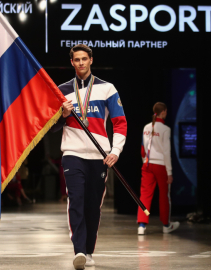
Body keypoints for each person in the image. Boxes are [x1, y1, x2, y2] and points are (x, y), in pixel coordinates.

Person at [51, 44, 127, 270]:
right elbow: (51, 127)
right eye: (77, 60)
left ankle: (89, 250)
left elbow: (120, 122)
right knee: (75, 201)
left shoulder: (108, 89)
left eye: (84, 59)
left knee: (93, 206)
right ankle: (79, 251)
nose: (81, 63)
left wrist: (115, 151)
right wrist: (63, 115)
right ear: (72, 62)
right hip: (72, 154)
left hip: (99, 156)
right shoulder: (61, 90)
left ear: (91, 60)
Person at [137, 102, 180, 235]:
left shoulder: (146, 127)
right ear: (163, 112)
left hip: (147, 165)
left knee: (145, 195)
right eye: (166, 112)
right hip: (161, 165)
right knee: (164, 195)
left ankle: (142, 225)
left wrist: (145, 162)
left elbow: (142, 149)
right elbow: (166, 152)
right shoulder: (166, 129)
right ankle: (166, 225)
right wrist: (170, 172)